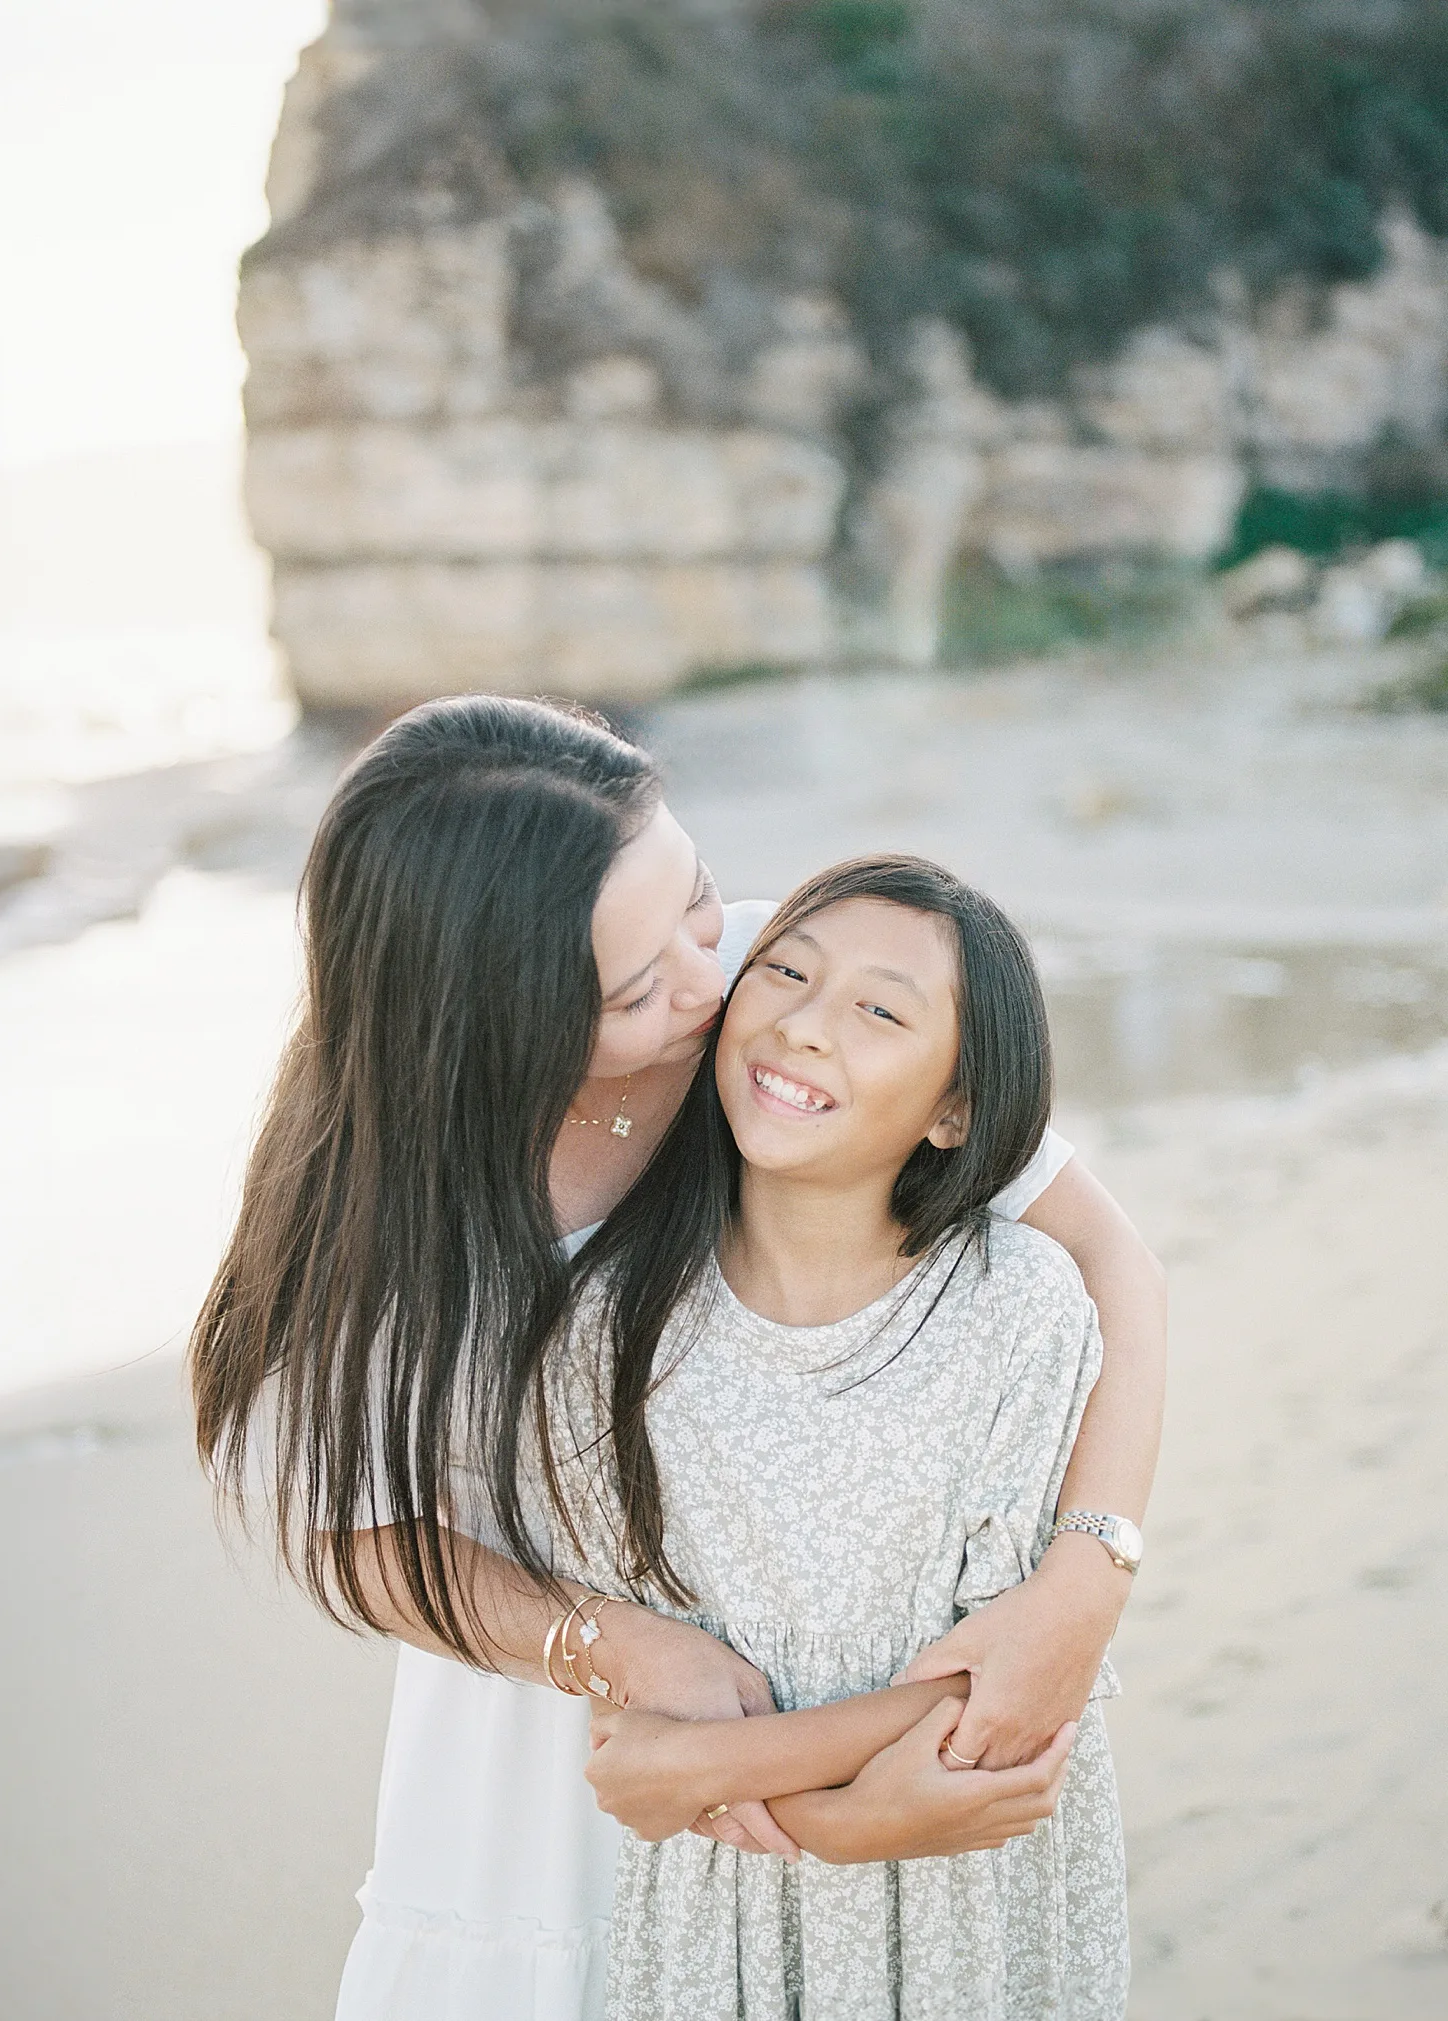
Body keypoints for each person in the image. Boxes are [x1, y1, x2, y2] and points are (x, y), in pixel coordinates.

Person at [189, 697, 1163, 2019]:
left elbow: (1117, 1265)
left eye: (700, 906)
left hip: (815, 1702)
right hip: (542, 1755)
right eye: (638, 990)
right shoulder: (377, 1209)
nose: (708, 985)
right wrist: (608, 1649)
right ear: (493, 1024)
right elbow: (358, 1531)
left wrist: (1086, 1572)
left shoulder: (789, 1008)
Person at [540, 854, 1126, 2017]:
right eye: (786, 973)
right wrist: (710, 1777)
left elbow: (1008, 1696)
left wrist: (708, 1770)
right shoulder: (607, 1329)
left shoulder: (1019, 1305)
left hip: (966, 1875)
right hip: (723, 1903)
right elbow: (630, 1719)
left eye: (880, 1010)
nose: (806, 1026)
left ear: (956, 1105)